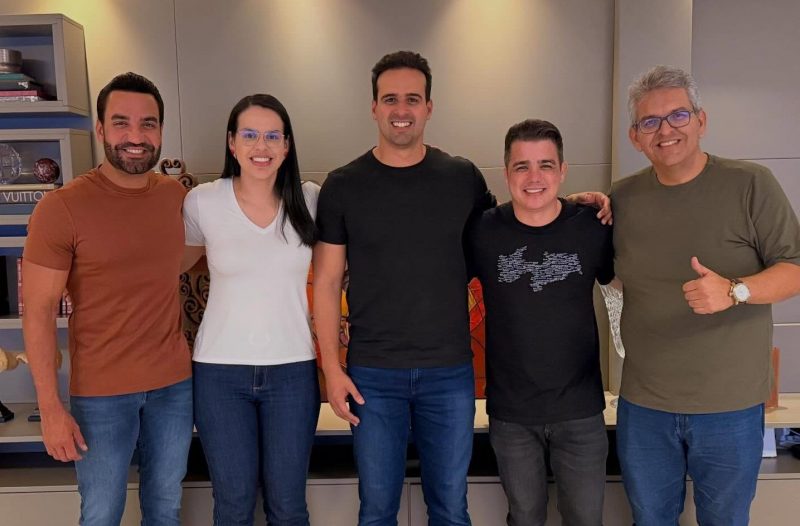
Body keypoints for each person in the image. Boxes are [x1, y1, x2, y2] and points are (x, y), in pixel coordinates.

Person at [314, 50, 611, 526]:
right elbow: (327, 283)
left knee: (451, 510)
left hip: (448, 373)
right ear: (373, 107)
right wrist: (332, 369)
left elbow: (517, 222)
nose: (401, 109)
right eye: (390, 98)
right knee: (376, 510)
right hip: (373, 374)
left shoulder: (461, 177)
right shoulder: (344, 185)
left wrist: (569, 205)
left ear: (430, 107)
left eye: (413, 98)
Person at [612, 65, 800, 525]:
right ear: (635, 137)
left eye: (678, 115)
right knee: (649, 519)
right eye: (650, 122)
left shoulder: (750, 184)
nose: (666, 130)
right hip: (644, 405)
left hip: (730, 407)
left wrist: (736, 290)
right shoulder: (621, 199)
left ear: (701, 120)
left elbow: (795, 268)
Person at [22, 72, 192, 525]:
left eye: (148, 124)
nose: (135, 137)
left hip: (174, 387)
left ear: (161, 130)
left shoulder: (176, 197)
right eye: (121, 123)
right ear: (100, 129)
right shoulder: (61, 207)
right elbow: (37, 313)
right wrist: (51, 409)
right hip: (101, 395)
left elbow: (185, 261)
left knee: (166, 508)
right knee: (101, 515)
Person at [181, 94, 320, 525]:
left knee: (288, 507)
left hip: (293, 371)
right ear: (232, 142)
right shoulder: (202, 201)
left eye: (273, 136)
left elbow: (337, 274)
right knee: (233, 504)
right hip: (219, 373)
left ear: (287, 145)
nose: (262, 146)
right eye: (250, 135)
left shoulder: (311, 199)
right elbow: (173, 269)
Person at [467, 119, 613, 526]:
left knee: (585, 520)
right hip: (512, 414)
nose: (534, 178)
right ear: (506, 173)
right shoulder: (481, 231)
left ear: (562, 171)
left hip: (580, 410)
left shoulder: (594, 226)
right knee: (524, 518)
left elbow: (627, 283)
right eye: (522, 166)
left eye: (546, 165)